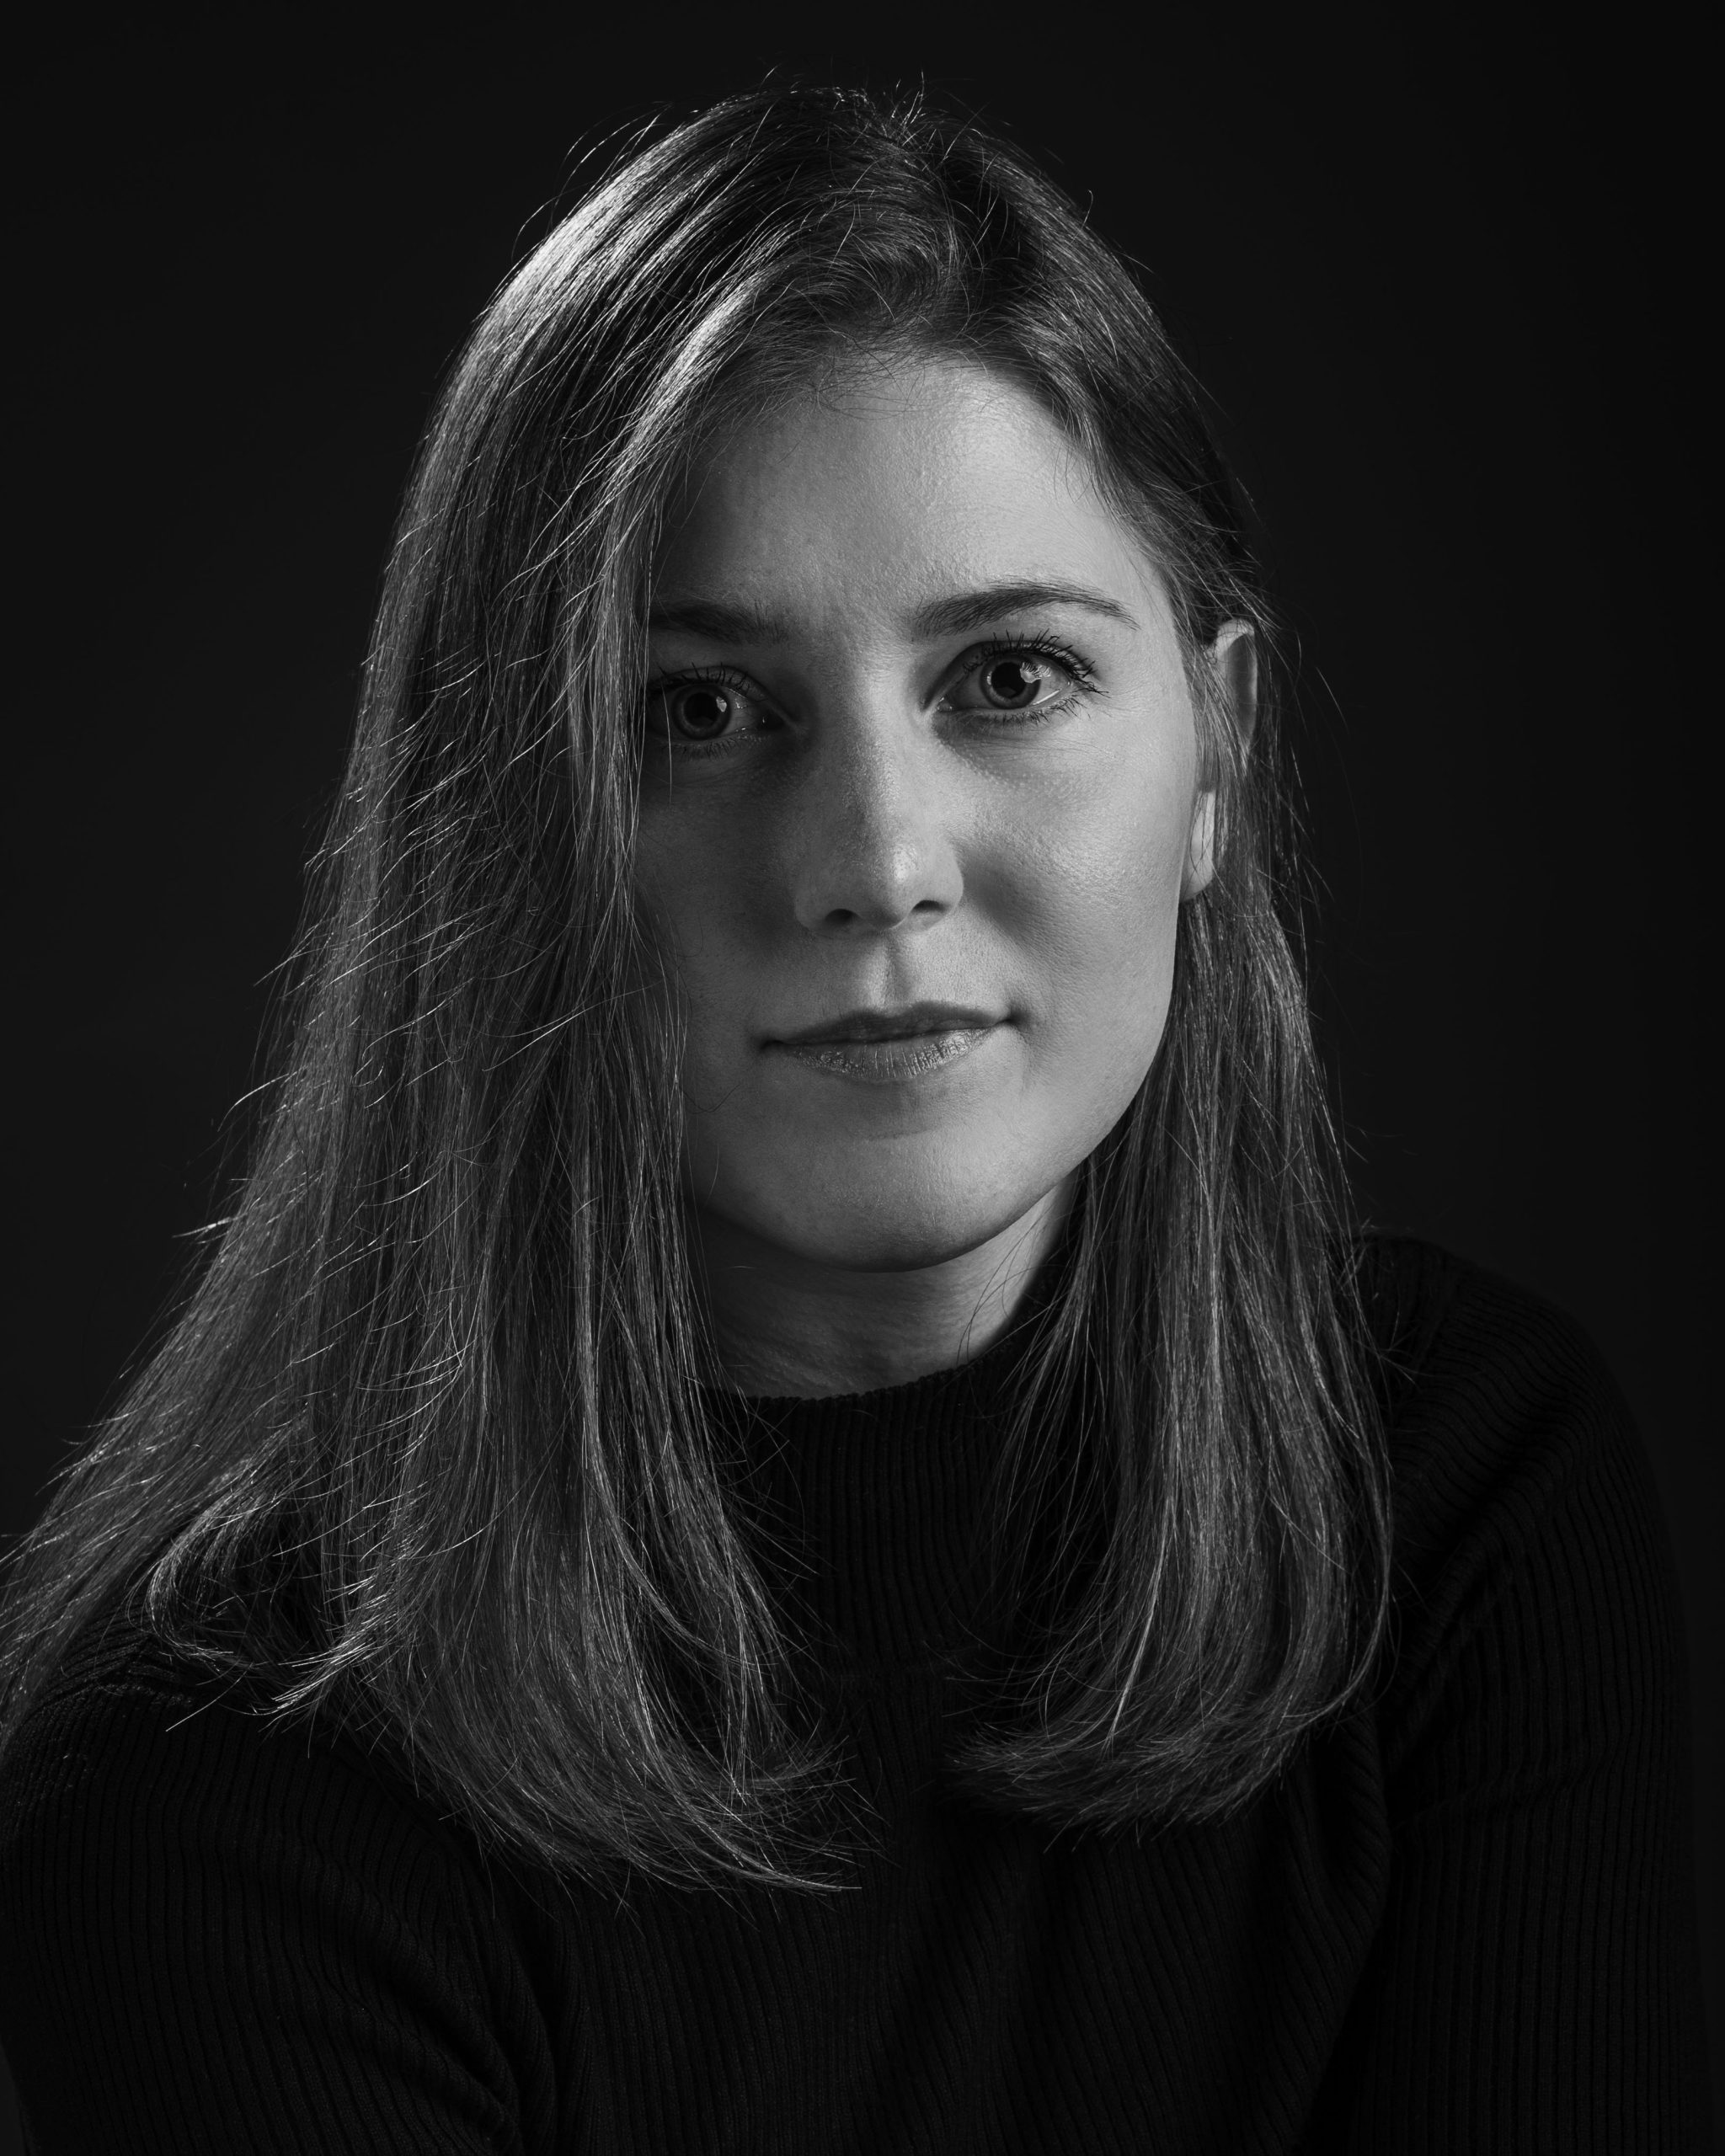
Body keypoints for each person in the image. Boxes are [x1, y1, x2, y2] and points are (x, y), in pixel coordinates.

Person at [0, 85, 1707, 2154]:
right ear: (496, 829)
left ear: (1219, 760)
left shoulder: (1463, 1493)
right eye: (698, 710)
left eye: (1009, 679)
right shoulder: (203, 1759)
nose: (878, 864)